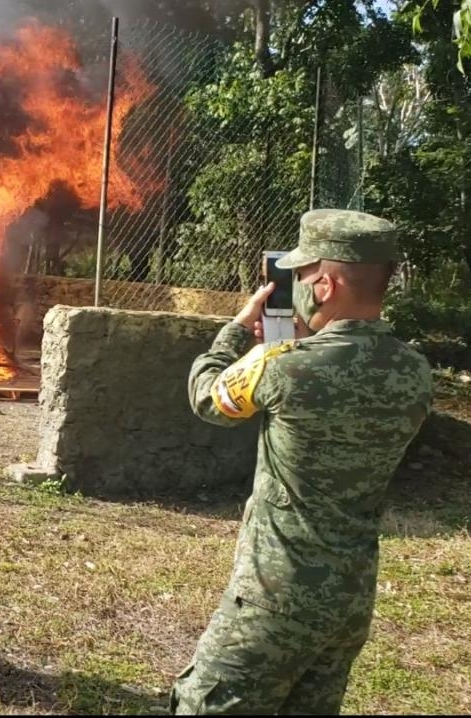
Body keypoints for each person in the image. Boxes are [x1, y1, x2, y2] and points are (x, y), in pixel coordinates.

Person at [170, 209, 433, 715]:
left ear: (326, 285)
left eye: (302, 276)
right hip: (350, 600)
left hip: (276, 595)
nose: (297, 286)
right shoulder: (416, 371)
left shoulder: (282, 366)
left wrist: (238, 329)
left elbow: (207, 398)